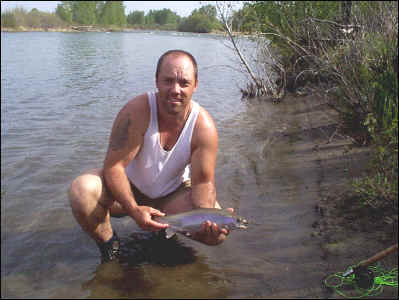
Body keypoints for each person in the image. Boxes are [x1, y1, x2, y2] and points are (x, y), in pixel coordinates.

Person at [68, 49, 231, 263]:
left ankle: (167, 232)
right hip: (129, 192)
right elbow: (113, 167)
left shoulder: (204, 127)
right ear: (156, 81)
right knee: (82, 191)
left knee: (218, 232)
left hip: (172, 196)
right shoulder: (136, 111)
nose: (175, 90)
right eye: (168, 81)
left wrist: (207, 218)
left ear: (195, 85)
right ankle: (110, 246)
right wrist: (134, 210)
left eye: (184, 83)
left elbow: (203, 183)